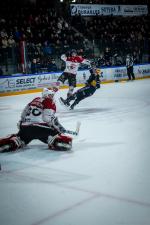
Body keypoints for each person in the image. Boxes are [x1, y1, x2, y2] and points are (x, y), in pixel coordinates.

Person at [0, 88, 74, 153]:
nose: (52, 97)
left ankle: (13, 142)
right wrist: (58, 128)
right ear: (46, 95)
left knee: (21, 138)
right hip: (40, 129)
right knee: (54, 134)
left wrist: (22, 122)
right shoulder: (49, 102)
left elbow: (23, 114)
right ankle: (56, 141)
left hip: (25, 128)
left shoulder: (35, 99)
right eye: (50, 95)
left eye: (52, 95)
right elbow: (47, 118)